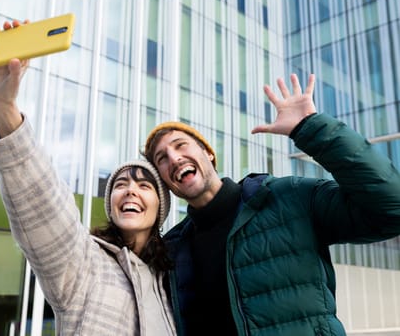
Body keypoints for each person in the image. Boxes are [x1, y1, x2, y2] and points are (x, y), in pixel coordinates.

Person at [142, 73, 400, 336]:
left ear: (208, 152)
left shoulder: (288, 197)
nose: (174, 158)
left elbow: (392, 209)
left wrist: (312, 128)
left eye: (180, 145)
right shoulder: (172, 250)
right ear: (164, 179)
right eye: (162, 158)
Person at [0, 20, 177, 335]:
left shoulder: (174, 284)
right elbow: (43, 204)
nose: (130, 191)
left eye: (144, 185)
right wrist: (3, 108)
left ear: (161, 208)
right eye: (120, 184)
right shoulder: (84, 262)